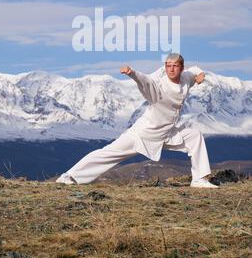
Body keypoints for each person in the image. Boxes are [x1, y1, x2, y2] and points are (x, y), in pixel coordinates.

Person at [56, 53, 218, 188]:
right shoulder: (158, 86)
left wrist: (200, 74)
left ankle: (199, 179)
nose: (171, 69)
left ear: (181, 68)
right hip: (143, 133)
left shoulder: (186, 78)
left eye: (175, 66)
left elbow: (194, 70)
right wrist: (131, 73)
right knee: (108, 153)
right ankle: (70, 177)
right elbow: (144, 80)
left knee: (194, 136)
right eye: (168, 66)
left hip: (166, 133)